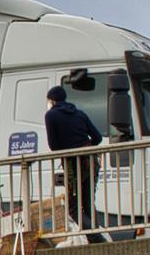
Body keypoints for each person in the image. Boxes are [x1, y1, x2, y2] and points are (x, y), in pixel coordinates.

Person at [45, 85, 105, 243]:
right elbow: (97, 138)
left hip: (73, 165)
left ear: (52, 100)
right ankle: (96, 239)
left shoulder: (51, 115)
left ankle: (97, 238)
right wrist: (85, 146)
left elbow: (54, 146)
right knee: (88, 202)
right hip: (90, 162)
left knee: (72, 207)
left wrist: (69, 149)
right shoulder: (80, 113)